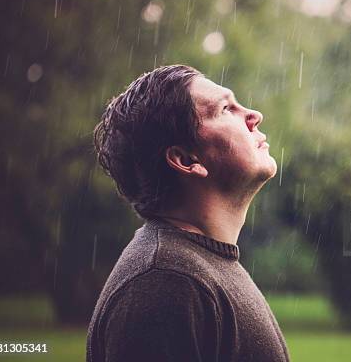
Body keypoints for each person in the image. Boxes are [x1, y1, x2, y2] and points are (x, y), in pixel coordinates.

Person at [86, 65, 289, 362]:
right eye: (225, 109)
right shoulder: (165, 283)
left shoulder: (199, 267)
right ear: (186, 159)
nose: (254, 115)